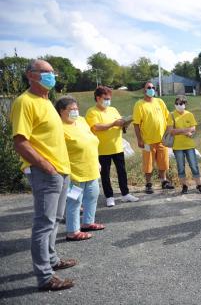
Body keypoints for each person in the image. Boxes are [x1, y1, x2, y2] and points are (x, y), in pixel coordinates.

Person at [10, 59, 76, 291]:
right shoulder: (24, 102)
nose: (51, 76)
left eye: (52, 72)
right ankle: (45, 277)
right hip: (46, 172)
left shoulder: (46, 101)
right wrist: (46, 166)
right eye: (45, 72)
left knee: (55, 219)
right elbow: (20, 142)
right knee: (44, 223)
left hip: (61, 170)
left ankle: (52, 260)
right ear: (30, 75)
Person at [55, 96, 105, 241]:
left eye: (76, 108)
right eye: (71, 109)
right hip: (74, 173)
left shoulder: (81, 121)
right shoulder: (58, 127)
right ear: (61, 111)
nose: (75, 112)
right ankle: (73, 231)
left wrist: (96, 161)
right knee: (74, 201)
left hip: (91, 168)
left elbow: (91, 142)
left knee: (92, 196)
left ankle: (88, 222)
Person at [86, 86, 138, 207]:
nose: (108, 101)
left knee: (122, 171)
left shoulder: (113, 109)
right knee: (105, 173)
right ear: (98, 98)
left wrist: (124, 123)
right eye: (105, 98)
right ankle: (109, 196)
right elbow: (96, 127)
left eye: (109, 98)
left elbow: (119, 122)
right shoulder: (92, 112)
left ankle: (125, 194)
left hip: (117, 146)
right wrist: (113, 124)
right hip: (102, 149)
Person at [133, 82, 174, 194]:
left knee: (163, 162)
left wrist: (168, 133)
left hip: (162, 140)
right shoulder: (139, 104)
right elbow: (136, 124)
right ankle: (148, 183)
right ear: (144, 90)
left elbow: (168, 117)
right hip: (147, 141)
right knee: (148, 164)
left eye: (153, 87)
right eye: (149, 88)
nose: (151, 89)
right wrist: (139, 139)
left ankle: (164, 181)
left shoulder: (160, 102)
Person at [166, 96, 201, 194]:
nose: (180, 105)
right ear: (175, 104)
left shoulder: (190, 114)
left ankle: (199, 185)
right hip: (177, 146)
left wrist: (180, 130)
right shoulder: (171, 115)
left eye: (182, 103)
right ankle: (184, 186)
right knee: (181, 167)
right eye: (178, 103)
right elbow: (171, 131)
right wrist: (185, 131)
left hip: (189, 145)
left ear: (185, 105)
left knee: (194, 166)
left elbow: (193, 128)